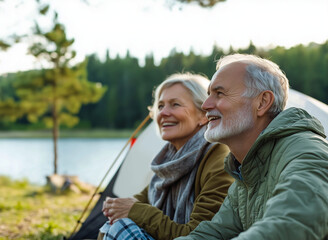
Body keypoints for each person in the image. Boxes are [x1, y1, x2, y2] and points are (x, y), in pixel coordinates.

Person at [175, 54, 328, 240]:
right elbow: (213, 233)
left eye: (220, 93)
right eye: (209, 95)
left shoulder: (305, 152)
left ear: (262, 102)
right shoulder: (245, 174)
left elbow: (290, 225)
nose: (206, 105)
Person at [98, 73, 234, 240]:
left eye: (175, 104)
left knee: (122, 228)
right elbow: (139, 202)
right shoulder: (169, 161)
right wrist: (116, 209)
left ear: (203, 115)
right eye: (160, 106)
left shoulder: (219, 157)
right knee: (114, 225)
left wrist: (134, 211)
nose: (164, 113)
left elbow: (198, 235)